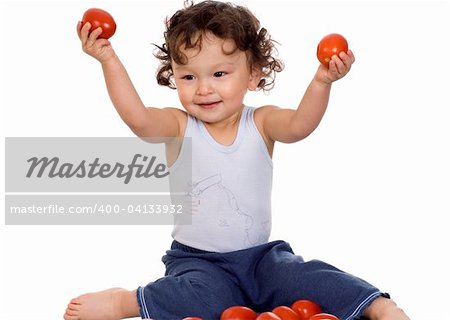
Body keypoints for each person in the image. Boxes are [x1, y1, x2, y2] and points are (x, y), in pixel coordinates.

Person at [65, 1, 410, 319]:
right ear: (173, 76)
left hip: (261, 258)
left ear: (254, 75)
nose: (203, 88)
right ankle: (126, 300)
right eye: (188, 76)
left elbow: (300, 125)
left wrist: (322, 81)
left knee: (310, 276)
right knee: (205, 300)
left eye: (219, 74)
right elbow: (138, 118)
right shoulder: (179, 126)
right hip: (198, 261)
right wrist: (108, 59)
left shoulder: (260, 122)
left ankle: (379, 306)